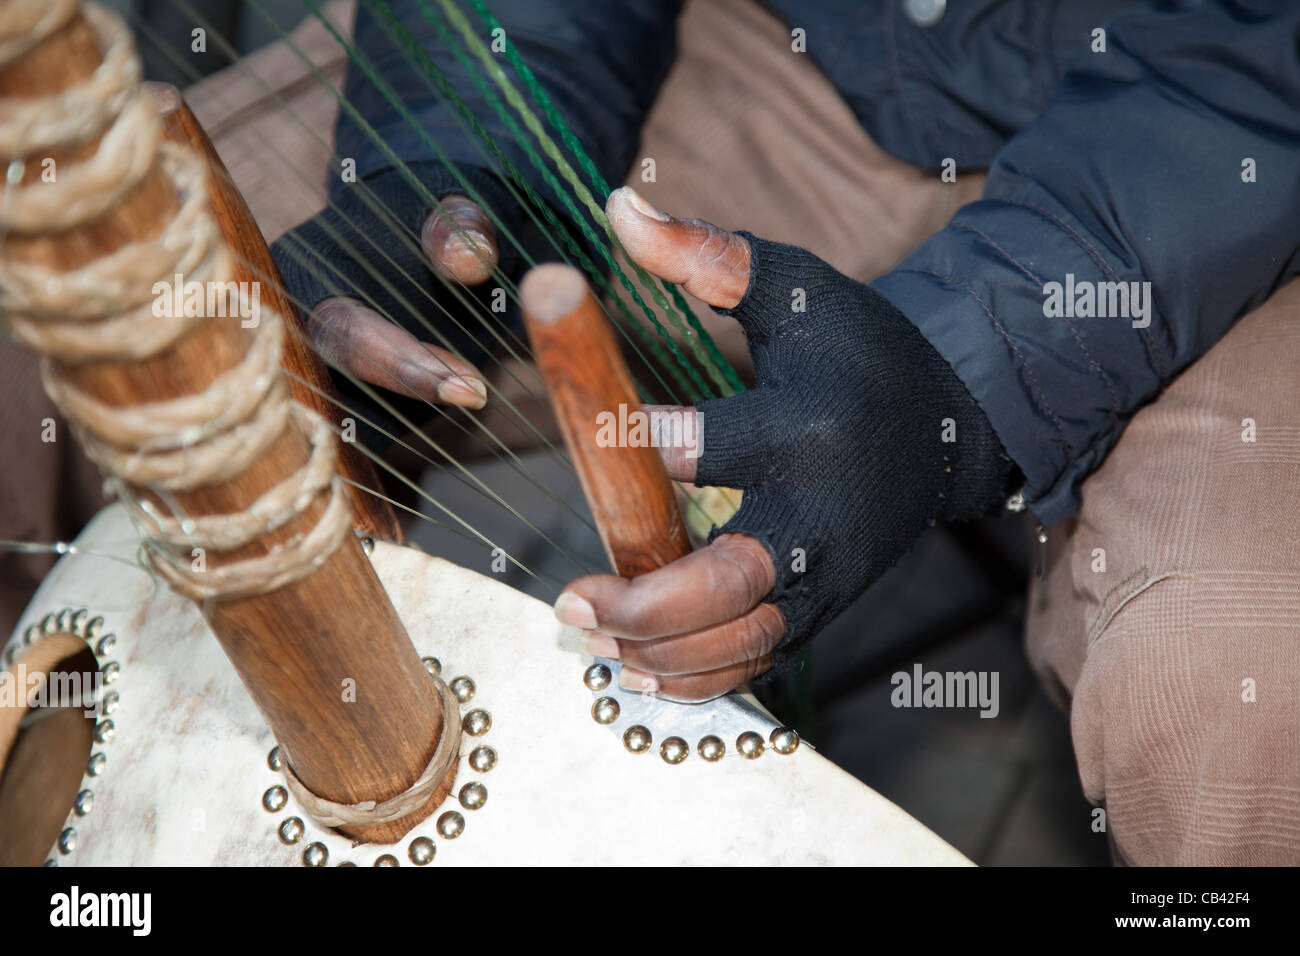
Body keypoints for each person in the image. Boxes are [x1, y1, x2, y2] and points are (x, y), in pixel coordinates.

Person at [272, 0, 1300, 864]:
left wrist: (960, 365)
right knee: (173, 314)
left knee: (1234, 719)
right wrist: (438, 153)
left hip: (1229, 150)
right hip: (824, 44)